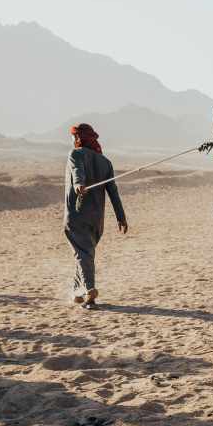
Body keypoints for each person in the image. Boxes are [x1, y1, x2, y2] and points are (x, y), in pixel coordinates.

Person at [64, 123, 128, 310]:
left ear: (78, 138)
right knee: (84, 254)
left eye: (73, 137)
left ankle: (90, 292)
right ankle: (77, 291)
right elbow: (113, 193)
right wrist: (121, 217)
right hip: (97, 220)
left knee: (82, 254)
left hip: (77, 216)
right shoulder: (105, 162)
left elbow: (78, 172)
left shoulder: (75, 154)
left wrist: (78, 185)